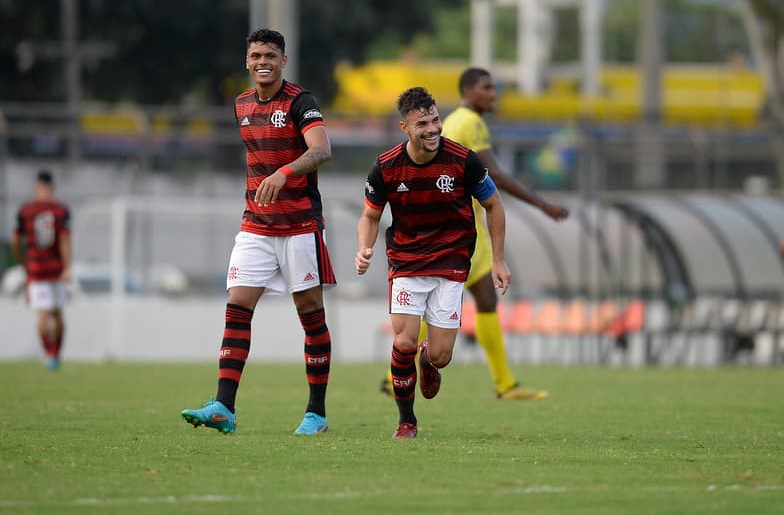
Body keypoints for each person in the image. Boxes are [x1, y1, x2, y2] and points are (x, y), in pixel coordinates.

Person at [379, 67, 569, 400]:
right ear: (468, 92)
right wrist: (542, 205)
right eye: (486, 88)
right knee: (463, 299)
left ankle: (404, 372)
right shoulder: (470, 122)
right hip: (460, 230)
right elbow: (494, 175)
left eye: (494, 88)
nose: (493, 94)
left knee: (464, 300)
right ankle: (501, 382)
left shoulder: (455, 122)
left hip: (456, 227)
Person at [181, 28, 336, 436]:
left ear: (284, 61)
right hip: (255, 225)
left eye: (270, 54)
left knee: (310, 315)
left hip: (299, 225)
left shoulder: (301, 101)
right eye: (254, 55)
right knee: (237, 307)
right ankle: (223, 406)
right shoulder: (241, 104)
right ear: (246, 61)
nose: (261, 61)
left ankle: (315, 413)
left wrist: (284, 173)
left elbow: (321, 150)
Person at [356, 86, 511, 439]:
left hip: (451, 262)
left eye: (436, 120)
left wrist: (498, 260)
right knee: (404, 341)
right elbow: (369, 216)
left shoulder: (464, 160)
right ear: (404, 128)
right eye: (422, 123)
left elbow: (494, 206)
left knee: (441, 356)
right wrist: (364, 248)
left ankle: (430, 360)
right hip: (407, 263)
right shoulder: (386, 167)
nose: (432, 129)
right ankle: (406, 421)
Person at [11, 170, 72, 371]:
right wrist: (68, 267)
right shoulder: (60, 210)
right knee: (58, 316)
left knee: (42, 316)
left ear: (37, 187)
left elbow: (15, 240)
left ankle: (49, 354)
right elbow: (64, 239)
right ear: (52, 187)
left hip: (36, 270)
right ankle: (54, 354)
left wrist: (22, 262)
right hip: (56, 270)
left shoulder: (25, 210)